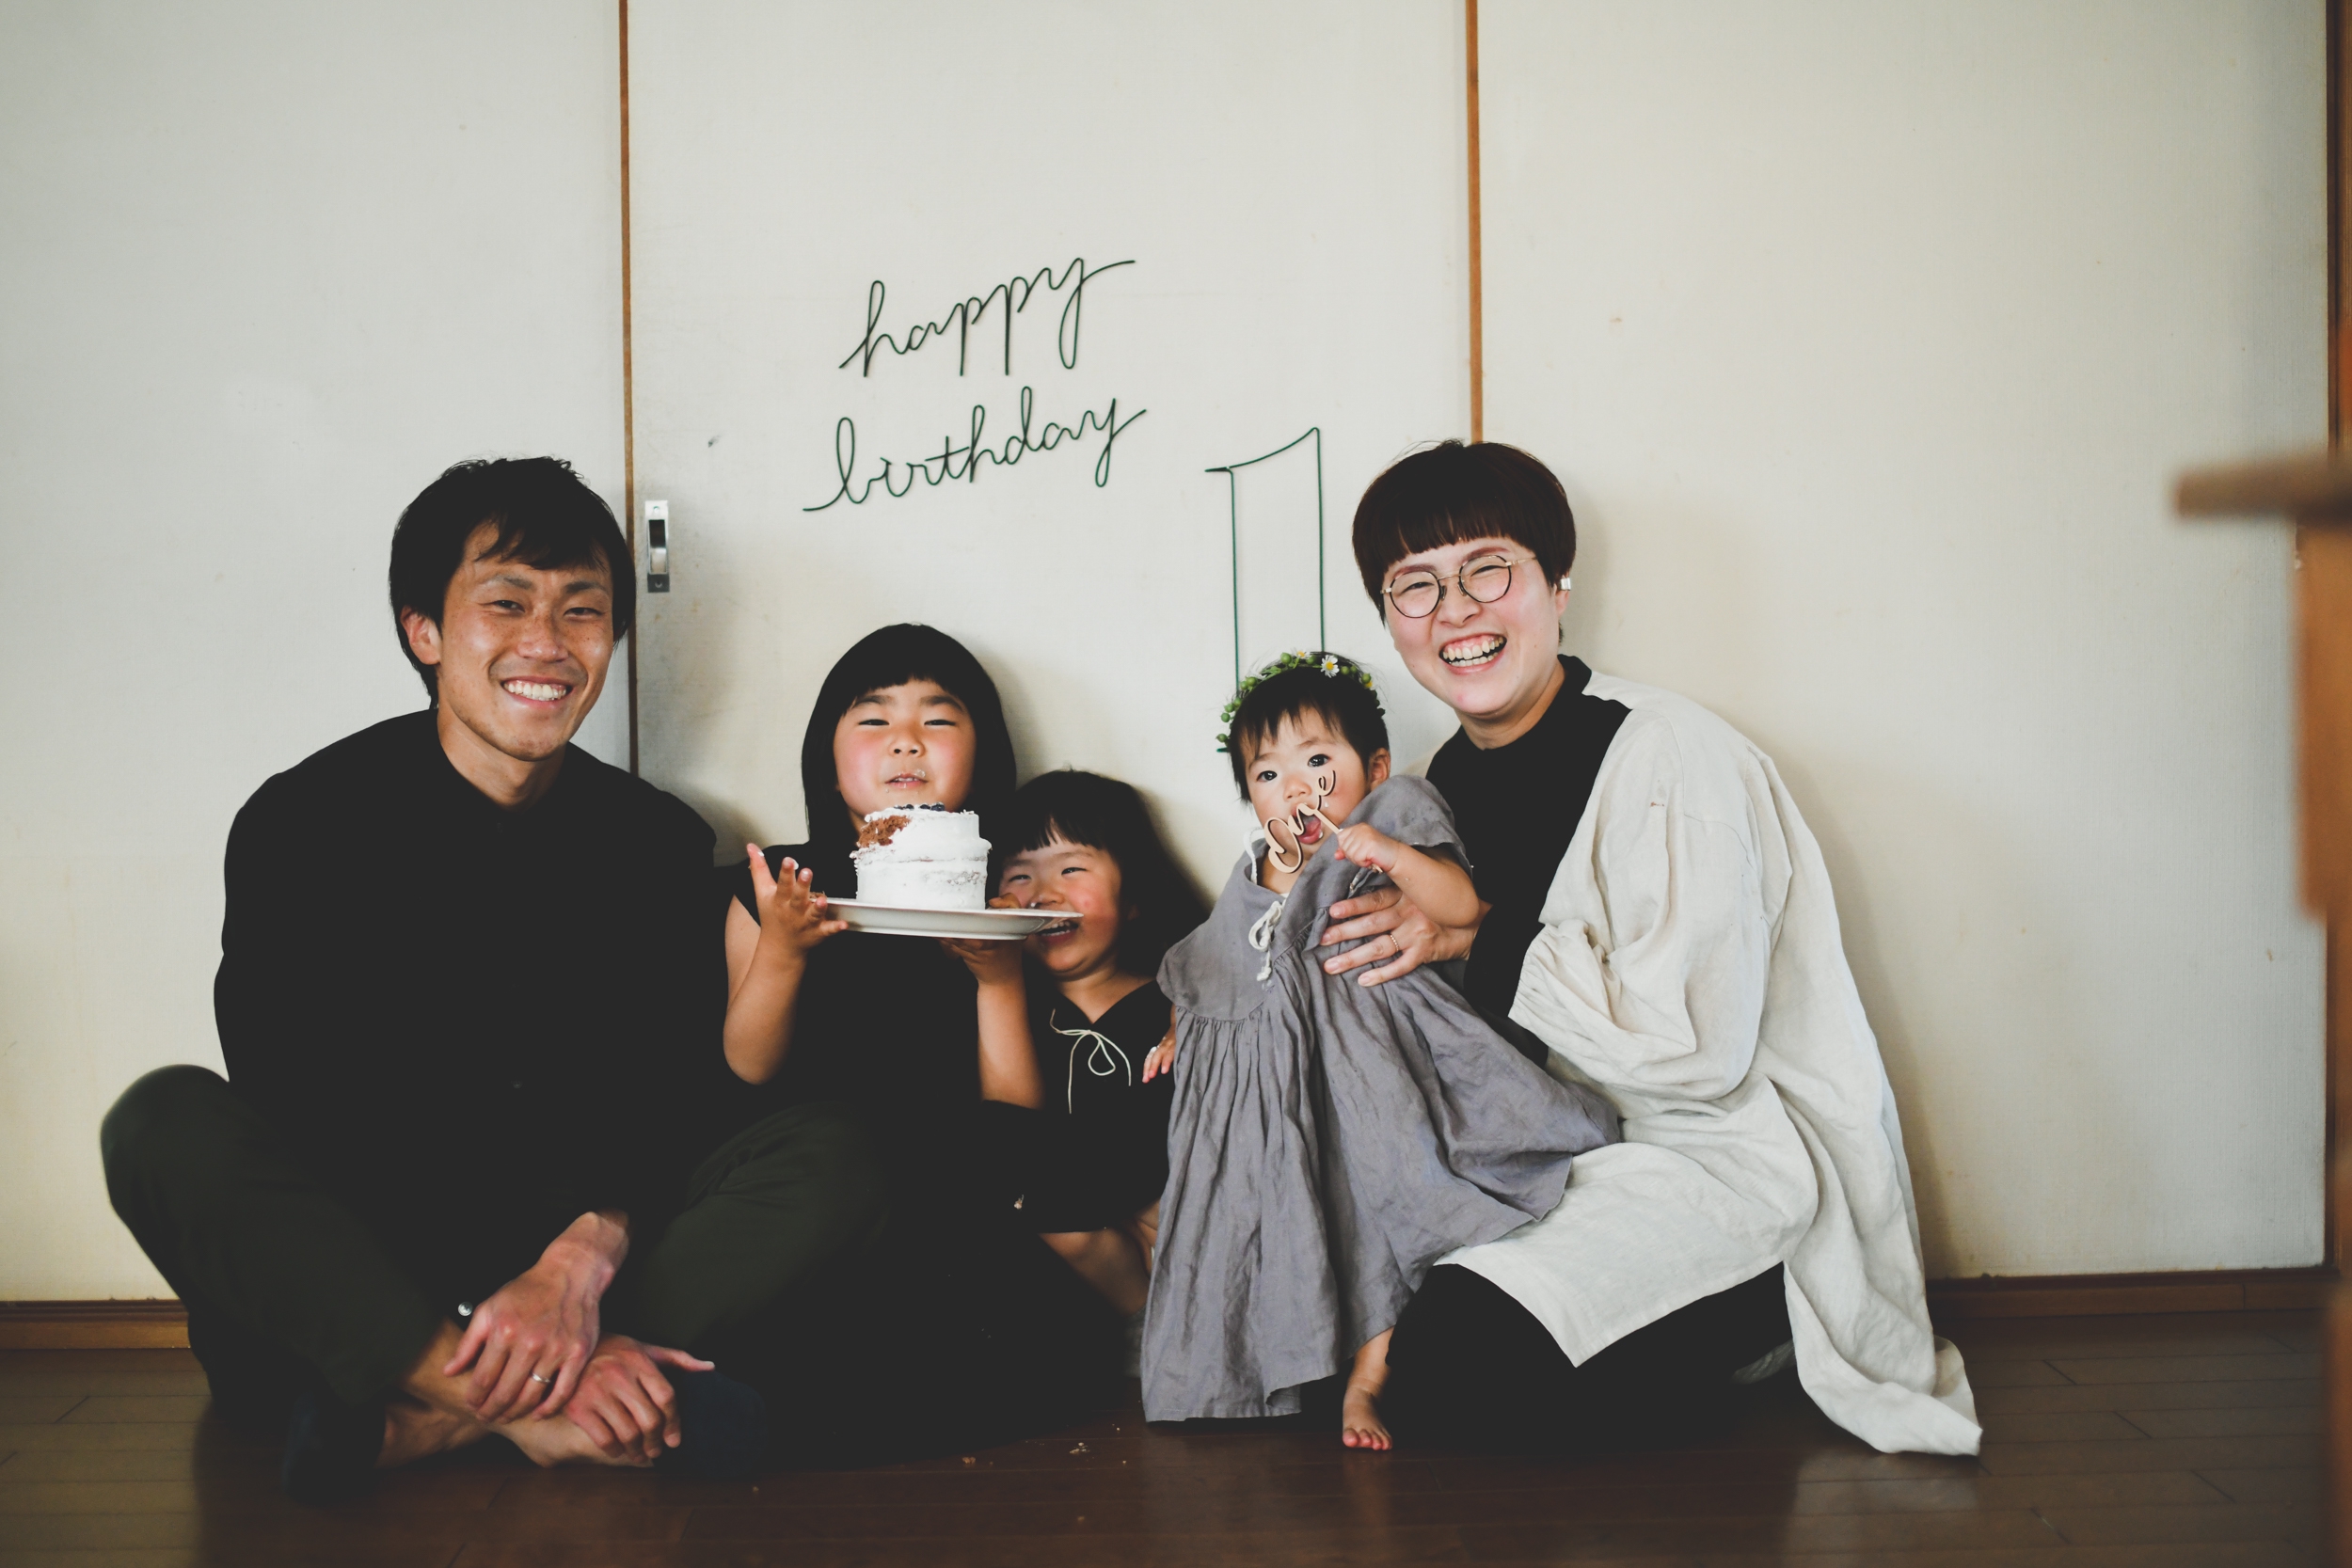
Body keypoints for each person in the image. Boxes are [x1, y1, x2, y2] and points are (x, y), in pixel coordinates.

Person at [98, 457, 882, 1503]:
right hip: (365, 1284)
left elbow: (674, 1102)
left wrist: (578, 1260)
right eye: (506, 603)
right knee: (160, 1120)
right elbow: (299, 1104)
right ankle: (533, 1398)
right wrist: (490, 1312)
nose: (547, 643)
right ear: (423, 629)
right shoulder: (303, 821)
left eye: (581, 610)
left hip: (568, 1279)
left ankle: (426, 1418)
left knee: (833, 1143)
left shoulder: (653, 838)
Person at [1320, 439, 1982, 1455]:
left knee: (1454, 1364)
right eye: (1416, 584)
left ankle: (1768, 1314)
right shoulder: (1421, 797)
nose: (1454, 610)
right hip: (1539, 1160)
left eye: (1487, 569)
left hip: (1712, 1162)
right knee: (1341, 1318)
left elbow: (1696, 1049)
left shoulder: (1671, 755)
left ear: (1556, 585)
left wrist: (1482, 935)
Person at [1138, 651, 1620, 1448]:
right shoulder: (1256, 871)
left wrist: (1393, 858)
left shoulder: (1391, 815)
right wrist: (1176, 1029)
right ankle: (1318, 1372)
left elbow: (1461, 907)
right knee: (1318, 1213)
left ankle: (1371, 1383)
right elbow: (1211, 966)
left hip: (1381, 1061)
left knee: (1397, 1198)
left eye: (1318, 761)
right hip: (1294, 1086)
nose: (1296, 789)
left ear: (1377, 766)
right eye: (1267, 774)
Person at [710, 625, 1121, 1460]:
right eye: (874, 718)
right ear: (827, 758)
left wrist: (997, 978)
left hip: (948, 1200)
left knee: (1040, 1345)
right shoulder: (783, 885)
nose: (906, 738)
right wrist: (784, 948)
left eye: (938, 718)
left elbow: (1012, 1121)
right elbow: (749, 1063)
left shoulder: (996, 894)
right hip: (819, 1197)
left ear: (983, 753)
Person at [988, 770, 1206, 1316]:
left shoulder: (1172, 1000)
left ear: (1134, 897)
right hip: (1082, 1263)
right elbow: (1007, 1134)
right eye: (1019, 875)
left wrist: (1186, 1014)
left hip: (1182, 1233)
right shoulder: (1012, 1011)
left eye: (1071, 868)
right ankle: (1147, 1327)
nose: (1043, 894)